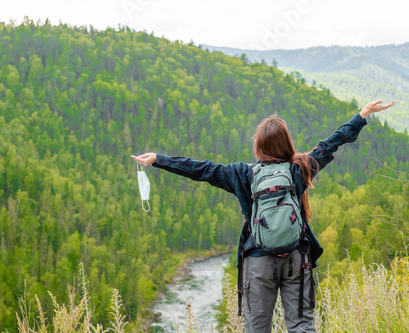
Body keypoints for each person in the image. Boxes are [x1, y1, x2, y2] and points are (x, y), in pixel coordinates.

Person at [131, 100, 394, 333]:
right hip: (296, 258)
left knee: (257, 328)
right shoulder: (300, 168)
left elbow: (202, 169)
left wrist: (159, 160)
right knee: (302, 327)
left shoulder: (241, 174)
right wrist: (361, 116)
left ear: (259, 146)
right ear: (286, 142)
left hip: (257, 263)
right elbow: (330, 144)